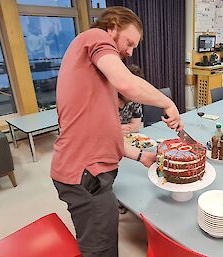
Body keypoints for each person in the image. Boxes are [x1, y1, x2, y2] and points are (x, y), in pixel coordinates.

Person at [51, 6, 184, 257]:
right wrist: (168, 103)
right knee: (101, 250)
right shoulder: (95, 37)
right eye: (129, 42)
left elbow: (103, 132)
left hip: (87, 171)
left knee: (104, 235)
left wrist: (139, 156)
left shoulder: (96, 79)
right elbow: (127, 83)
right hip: (85, 174)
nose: (130, 51)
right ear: (111, 26)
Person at [119, 64, 143, 134]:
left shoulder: (136, 99)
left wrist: (121, 128)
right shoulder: (109, 98)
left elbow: (136, 125)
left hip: (128, 136)